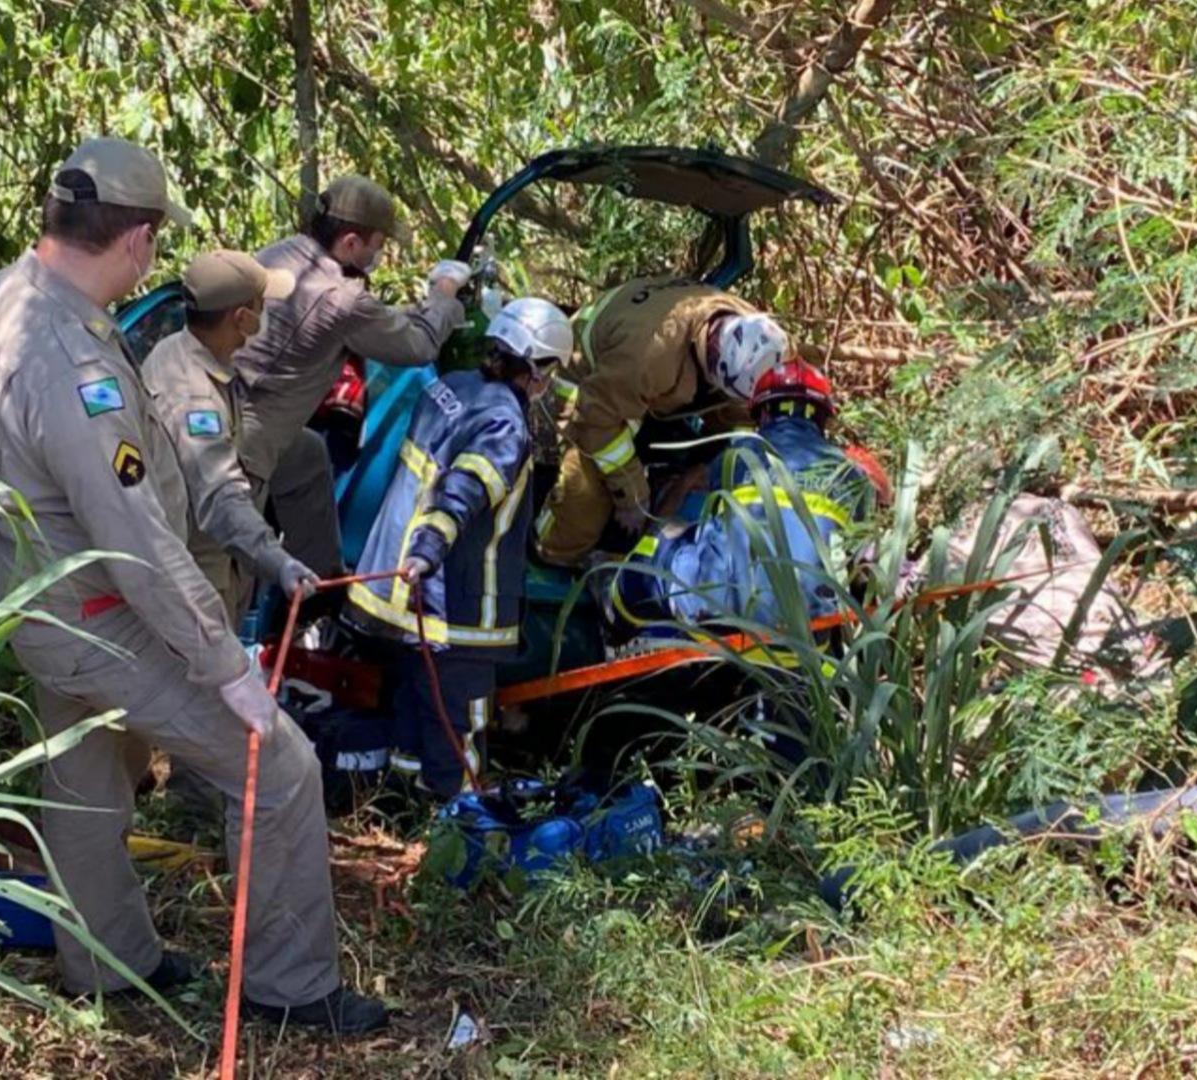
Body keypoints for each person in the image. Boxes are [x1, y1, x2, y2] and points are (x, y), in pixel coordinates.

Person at [0, 137, 383, 1033]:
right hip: (104, 612)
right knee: (282, 769)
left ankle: (106, 962)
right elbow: (139, 541)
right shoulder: (75, 366)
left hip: (30, 599)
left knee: (82, 778)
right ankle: (290, 984)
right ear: (140, 239)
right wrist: (226, 667)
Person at [344, 298, 571, 797]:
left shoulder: (451, 387)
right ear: (536, 369)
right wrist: (426, 551)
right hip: (456, 608)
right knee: (457, 729)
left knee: (413, 715)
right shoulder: (505, 425)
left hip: (395, 597)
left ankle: (405, 813)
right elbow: (461, 494)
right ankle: (459, 837)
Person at [234, 175, 470, 578]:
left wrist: (415, 310)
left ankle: (321, 584)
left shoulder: (280, 254)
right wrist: (444, 296)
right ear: (350, 243)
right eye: (377, 246)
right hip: (247, 442)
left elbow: (369, 320)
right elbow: (418, 347)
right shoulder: (339, 299)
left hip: (228, 407)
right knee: (229, 571)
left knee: (309, 455)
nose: (378, 255)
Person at [533, 275, 789, 567]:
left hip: (641, 382)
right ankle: (550, 551)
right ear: (713, 360)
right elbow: (596, 418)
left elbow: (740, 415)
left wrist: (722, 465)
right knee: (585, 500)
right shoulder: (650, 354)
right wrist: (632, 497)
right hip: (589, 389)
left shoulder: (762, 337)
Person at [608, 359, 878, 635]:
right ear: (823, 417)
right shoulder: (852, 474)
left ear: (763, 413)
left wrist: (659, 518)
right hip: (806, 638)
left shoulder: (742, 452)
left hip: (720, 614)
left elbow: (693, 483)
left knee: (657, 549)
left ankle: (614, 623)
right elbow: (863, 562)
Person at [142, 250, 319, 623]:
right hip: (201, 581)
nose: (266, 313)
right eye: (261, 305)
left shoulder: (176, 351)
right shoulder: (194, 398)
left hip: (207, 566)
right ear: (243, 318)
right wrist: (278, 561)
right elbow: (220, 495)